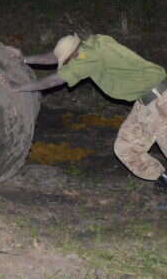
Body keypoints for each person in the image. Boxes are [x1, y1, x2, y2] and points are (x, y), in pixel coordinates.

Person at [12, 33, 167, 210]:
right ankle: (163, 180)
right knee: (126, 149)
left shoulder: (87, 58)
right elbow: (55, 56)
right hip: (147, 102)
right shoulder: (94, 43)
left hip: (160, 101)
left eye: (67, 62)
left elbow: (54, 80)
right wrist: (23, 59)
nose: (66, 65)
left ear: (73, 55)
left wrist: (18, 88)